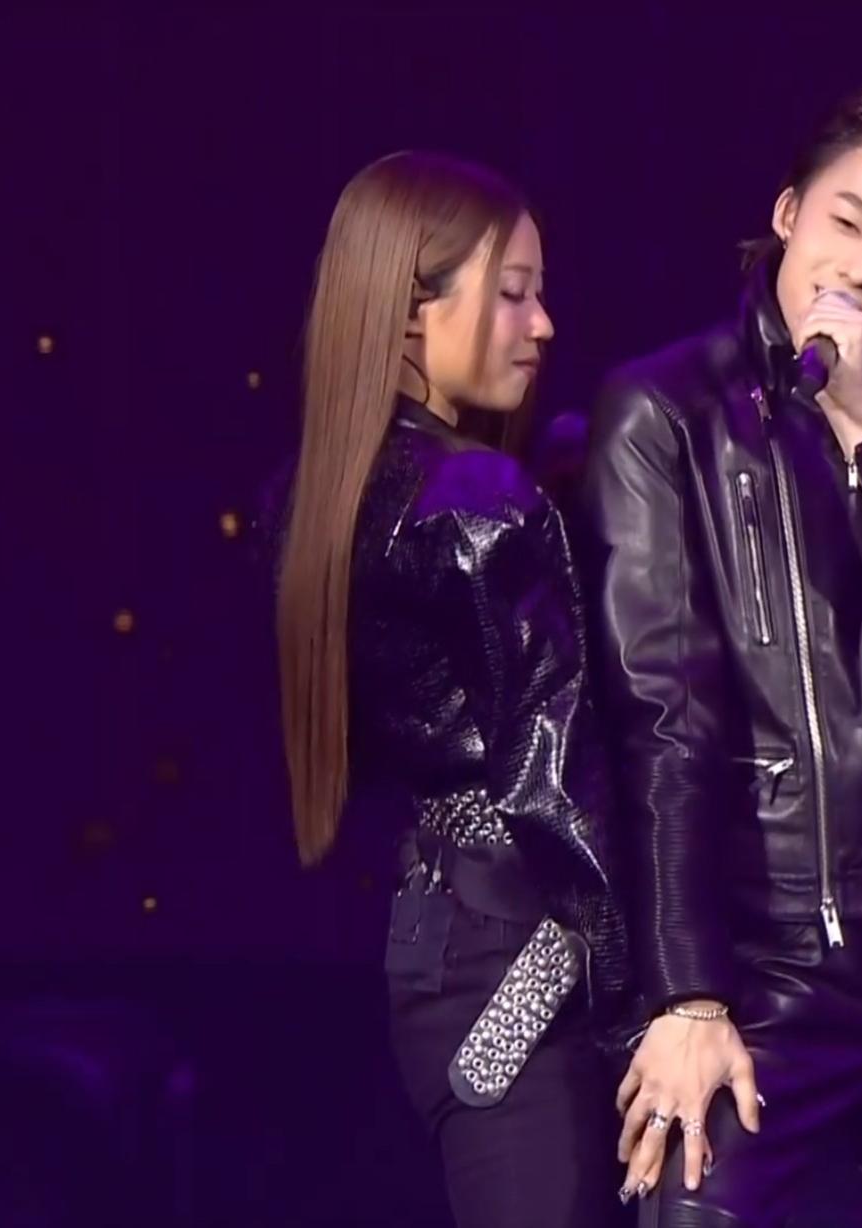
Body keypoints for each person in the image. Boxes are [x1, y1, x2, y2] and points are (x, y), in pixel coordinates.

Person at [576, 79, 862, 1225]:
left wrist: (857, 431)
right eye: (846, 221)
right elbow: (662, 717)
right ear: (788, 212)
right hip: (764, 956)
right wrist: (687, 992)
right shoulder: (662, 412)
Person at [272, 150, 630, 1228]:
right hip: (529, 944)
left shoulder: (313, 500)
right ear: (410, 313)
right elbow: (553, 780)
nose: (544, 324)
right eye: (512, 293)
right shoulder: (476, 499)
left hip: (438, 941)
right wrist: (662, 994)